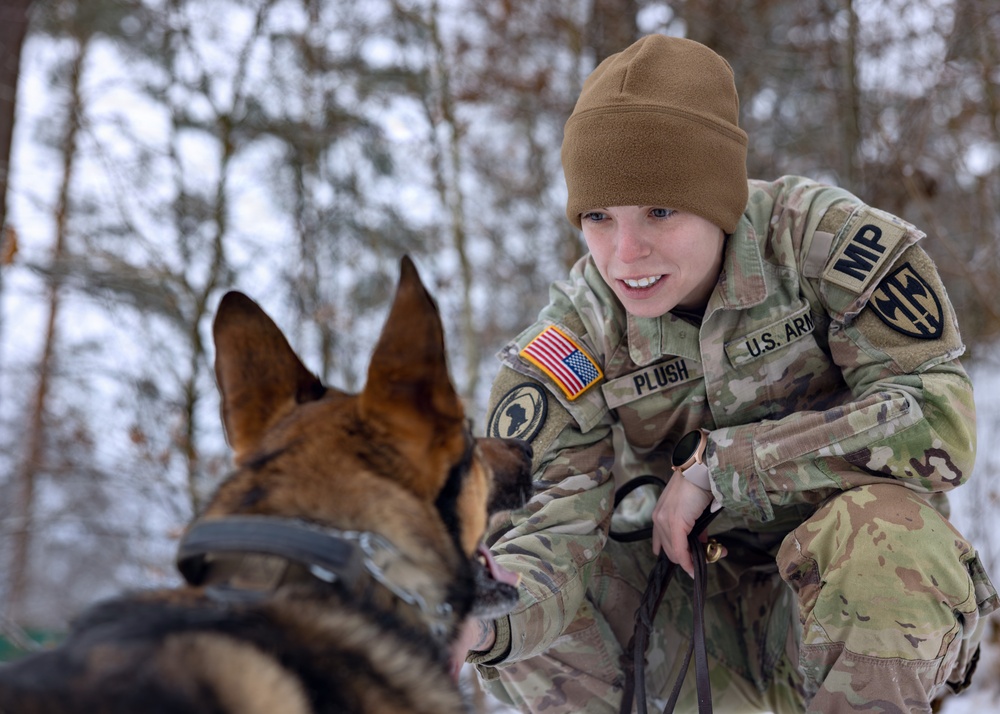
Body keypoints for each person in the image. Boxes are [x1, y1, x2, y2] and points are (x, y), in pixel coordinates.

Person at [450, 33, 999, 713]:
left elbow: (938, 419)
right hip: (681, 625)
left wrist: (724, 467)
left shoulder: (823, 246)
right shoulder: (575, 337)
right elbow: (544, 530)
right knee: (532, 616)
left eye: (660, 210)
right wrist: (480, 616)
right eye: (598, 217)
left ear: (720, 197)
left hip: (847, 620)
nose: (625, 253)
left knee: (889, 534)